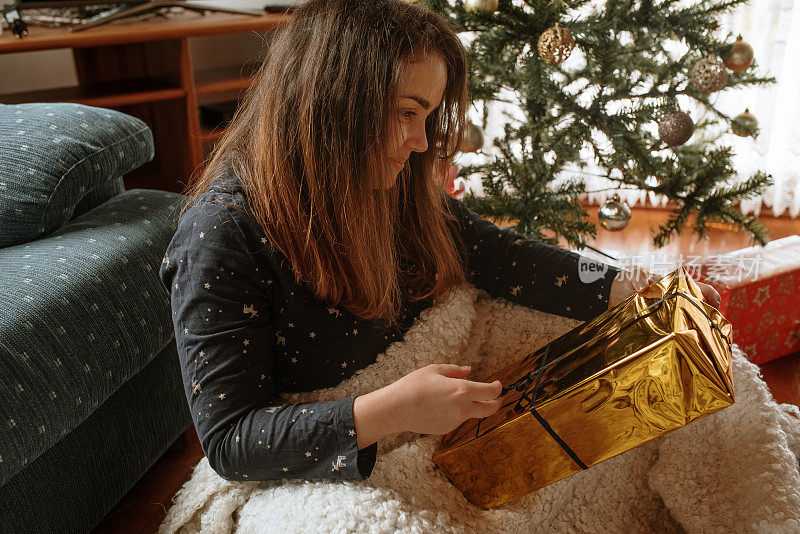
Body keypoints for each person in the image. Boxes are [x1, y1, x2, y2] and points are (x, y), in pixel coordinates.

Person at [159, 0, 721, 482]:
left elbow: (500, 256)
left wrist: (637, 287)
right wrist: (394, 409)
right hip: (354, 440)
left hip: (439, 400)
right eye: (407, 112)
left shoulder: (389, 185)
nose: (421, 142)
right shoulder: (222, 235)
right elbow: (231, 441)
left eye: (427, 116)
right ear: (335, 101)